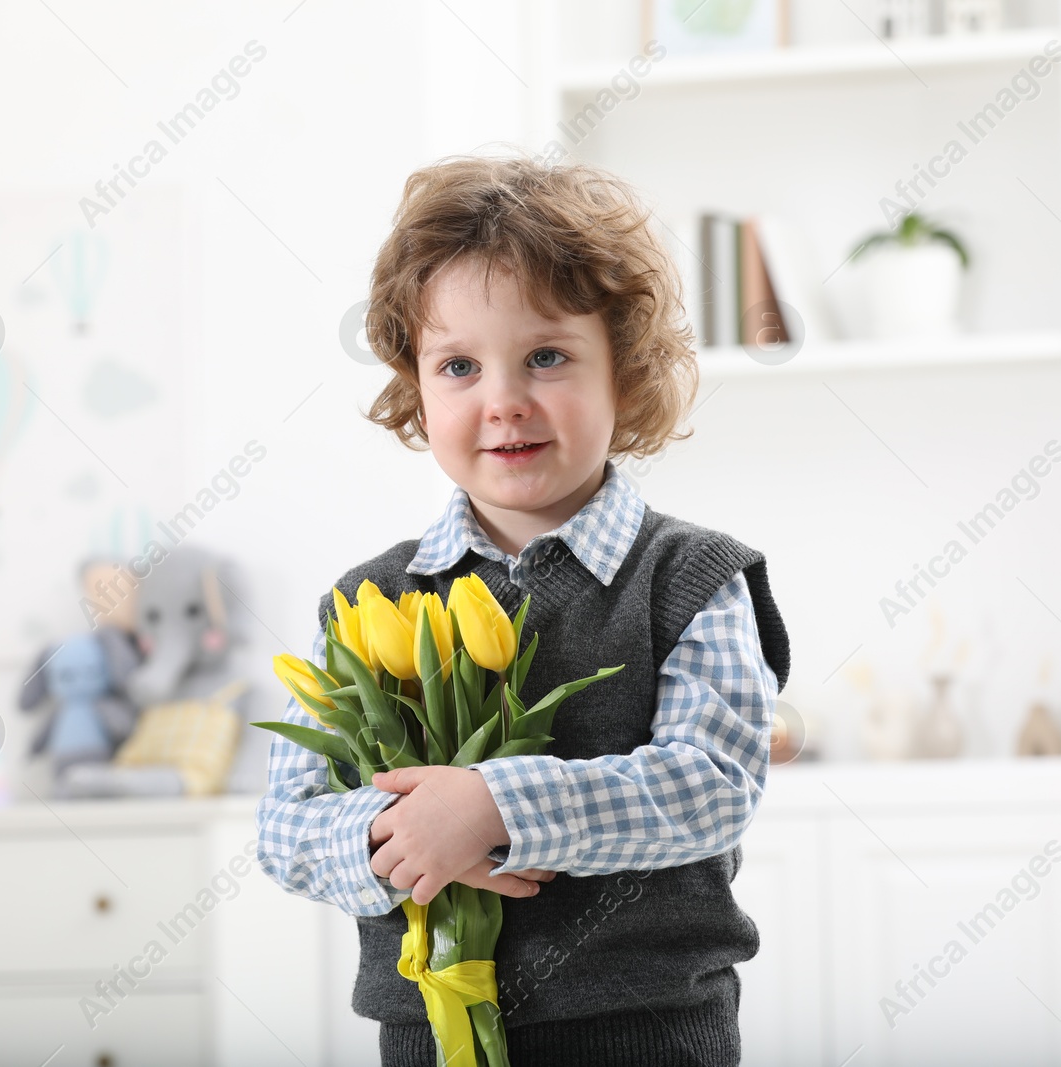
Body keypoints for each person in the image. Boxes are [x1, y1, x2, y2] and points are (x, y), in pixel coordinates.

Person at [255, 152, 791, 1067]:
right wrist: (402, 836)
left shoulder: (691, 577)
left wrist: (493, 804)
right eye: (459, 364)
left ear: (622, 371)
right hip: (427, 1037)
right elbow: (288, 825)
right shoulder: (364, 601)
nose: (503, 401)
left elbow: (710, 786)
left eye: (546, 356)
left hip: (645, 1036)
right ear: (414, 387)